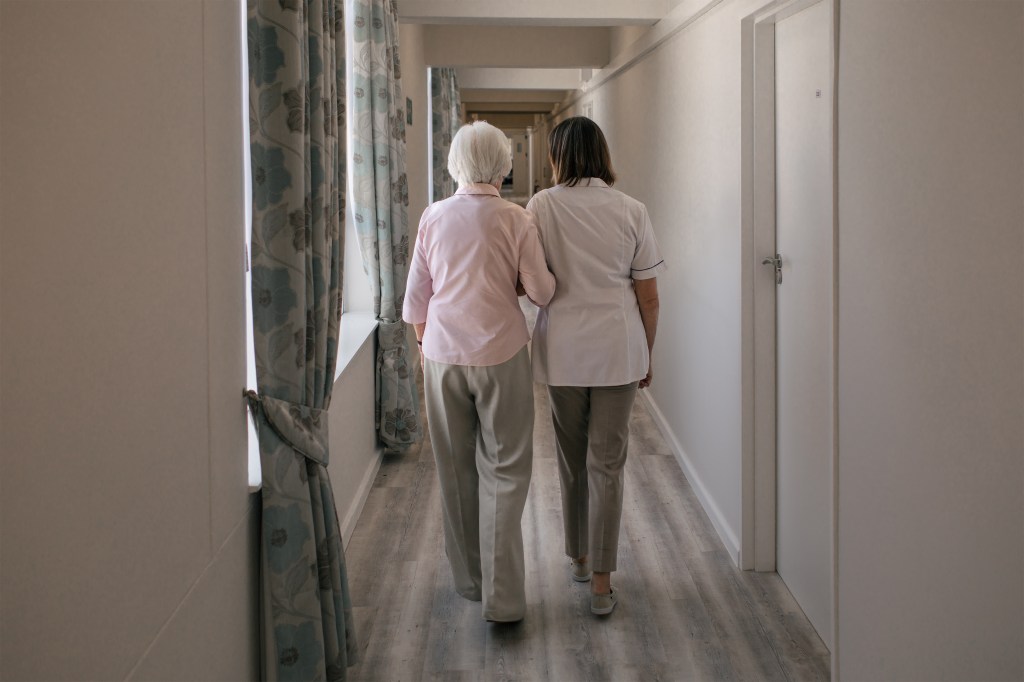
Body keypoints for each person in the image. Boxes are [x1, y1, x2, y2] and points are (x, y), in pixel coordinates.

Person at [403, 121, 556, 623]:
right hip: (501, 353)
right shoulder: (515, 218)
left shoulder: (433, 216)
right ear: (504, 163)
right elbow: (541, 292)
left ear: (455, 162)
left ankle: (469, 582)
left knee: (453, 467)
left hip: (443, 355)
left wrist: (427, 345)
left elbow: (416, 301)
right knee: (507, 470)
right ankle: (504, 599)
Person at [526, 116, 663, 617]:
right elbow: (648, 295)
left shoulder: (540, 206)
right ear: (602, 153)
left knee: (571, 458)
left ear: (559, 156)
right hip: (618, 351)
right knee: (608, 464)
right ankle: (602, 585)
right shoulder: (632, 210)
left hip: (563, 351)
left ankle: (579, 558)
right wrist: (648, 351)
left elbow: (531, 280)